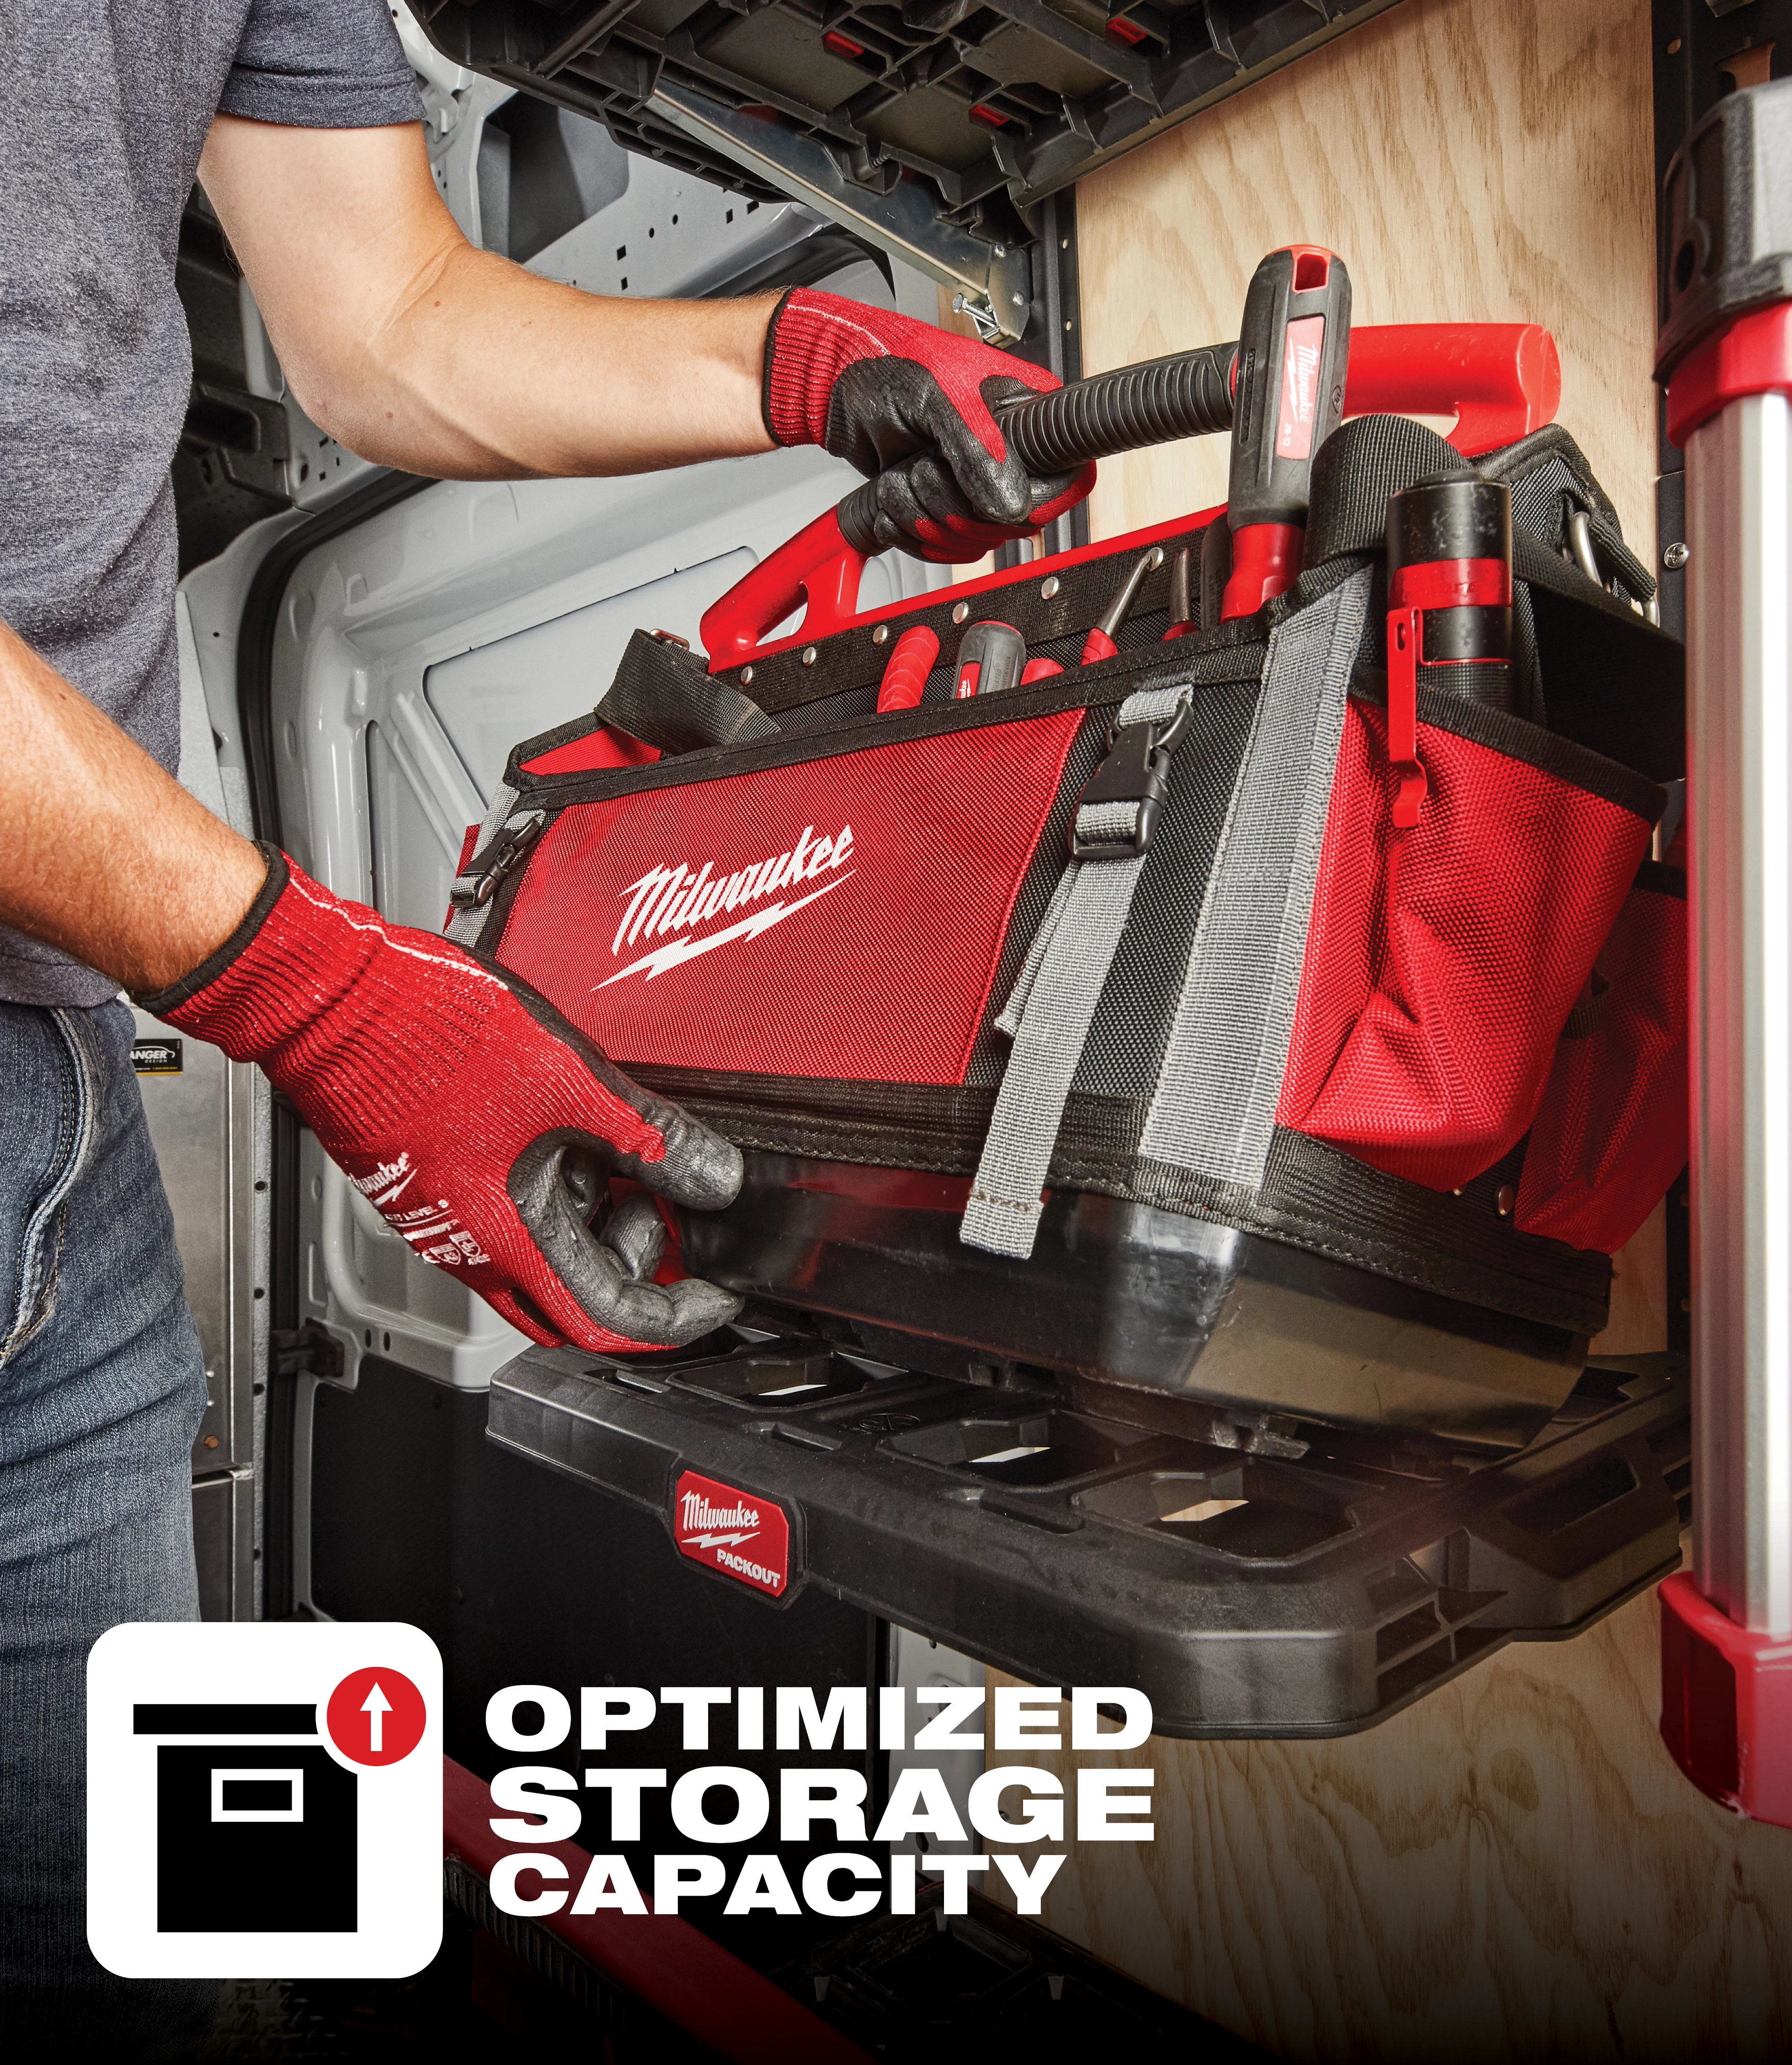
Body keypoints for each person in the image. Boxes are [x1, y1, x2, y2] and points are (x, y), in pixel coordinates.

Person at [0, 3, 1089, 2049]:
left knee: (111, 1958)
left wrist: (796, 363)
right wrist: (303, 984)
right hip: (119, 988)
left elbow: (383, 313)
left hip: (56, 1120)